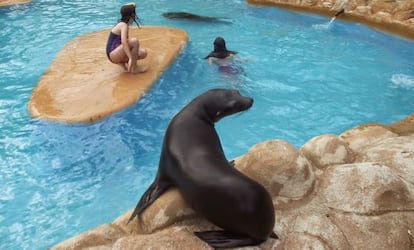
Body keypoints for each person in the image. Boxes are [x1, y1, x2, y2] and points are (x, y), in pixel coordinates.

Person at [106, 2, 148, 74]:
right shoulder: (123, 25)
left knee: (143, 53)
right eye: (134, 14)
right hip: (113, 54)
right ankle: (134, 69)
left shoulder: (122, 24)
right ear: (131, 15)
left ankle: (123, 64)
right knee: (134, 41)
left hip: (114, 53)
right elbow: (124, 42)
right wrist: (130, 58)